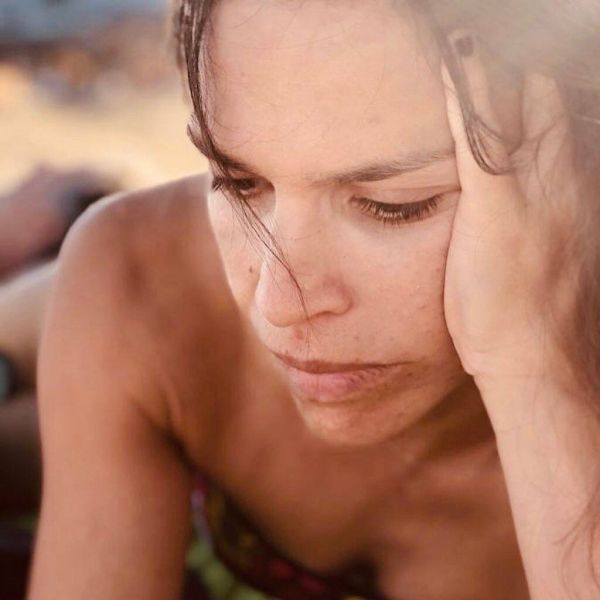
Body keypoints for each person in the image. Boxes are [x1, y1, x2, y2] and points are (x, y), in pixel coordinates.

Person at [28, 1, 600, 599]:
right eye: (238, 182)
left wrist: (531, 369)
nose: (280, 304)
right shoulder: (140, 282)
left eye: (393, 205)